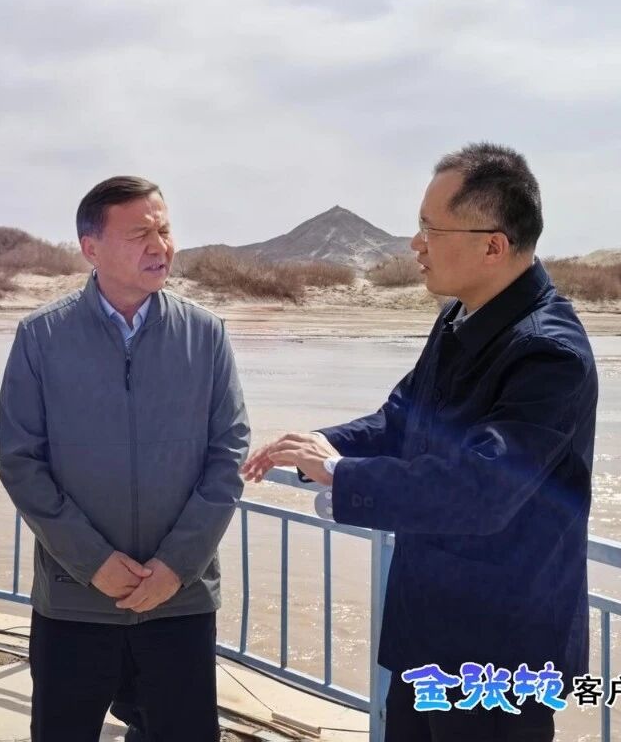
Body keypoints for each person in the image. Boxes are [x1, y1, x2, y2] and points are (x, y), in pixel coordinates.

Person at [245, 143, 597, 742]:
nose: (416, 244)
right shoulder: (461, 316)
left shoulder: (548, 352)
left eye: (431, 230)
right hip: (427, 628)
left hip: (500, 653)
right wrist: (321, 446)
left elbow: (483, 490)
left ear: (493, 245)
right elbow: (404, 419)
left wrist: (343, 475)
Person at [0, 175, 250, 742]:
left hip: (178, 601)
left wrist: (175, 566)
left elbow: (228, 454)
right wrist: (92, 563)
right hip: (75, 600)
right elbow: (21, 461)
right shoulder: (42, 337)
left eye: (164, 230)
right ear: (91, 247)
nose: (160, 246)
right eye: (139, 234)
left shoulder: (205, 334)